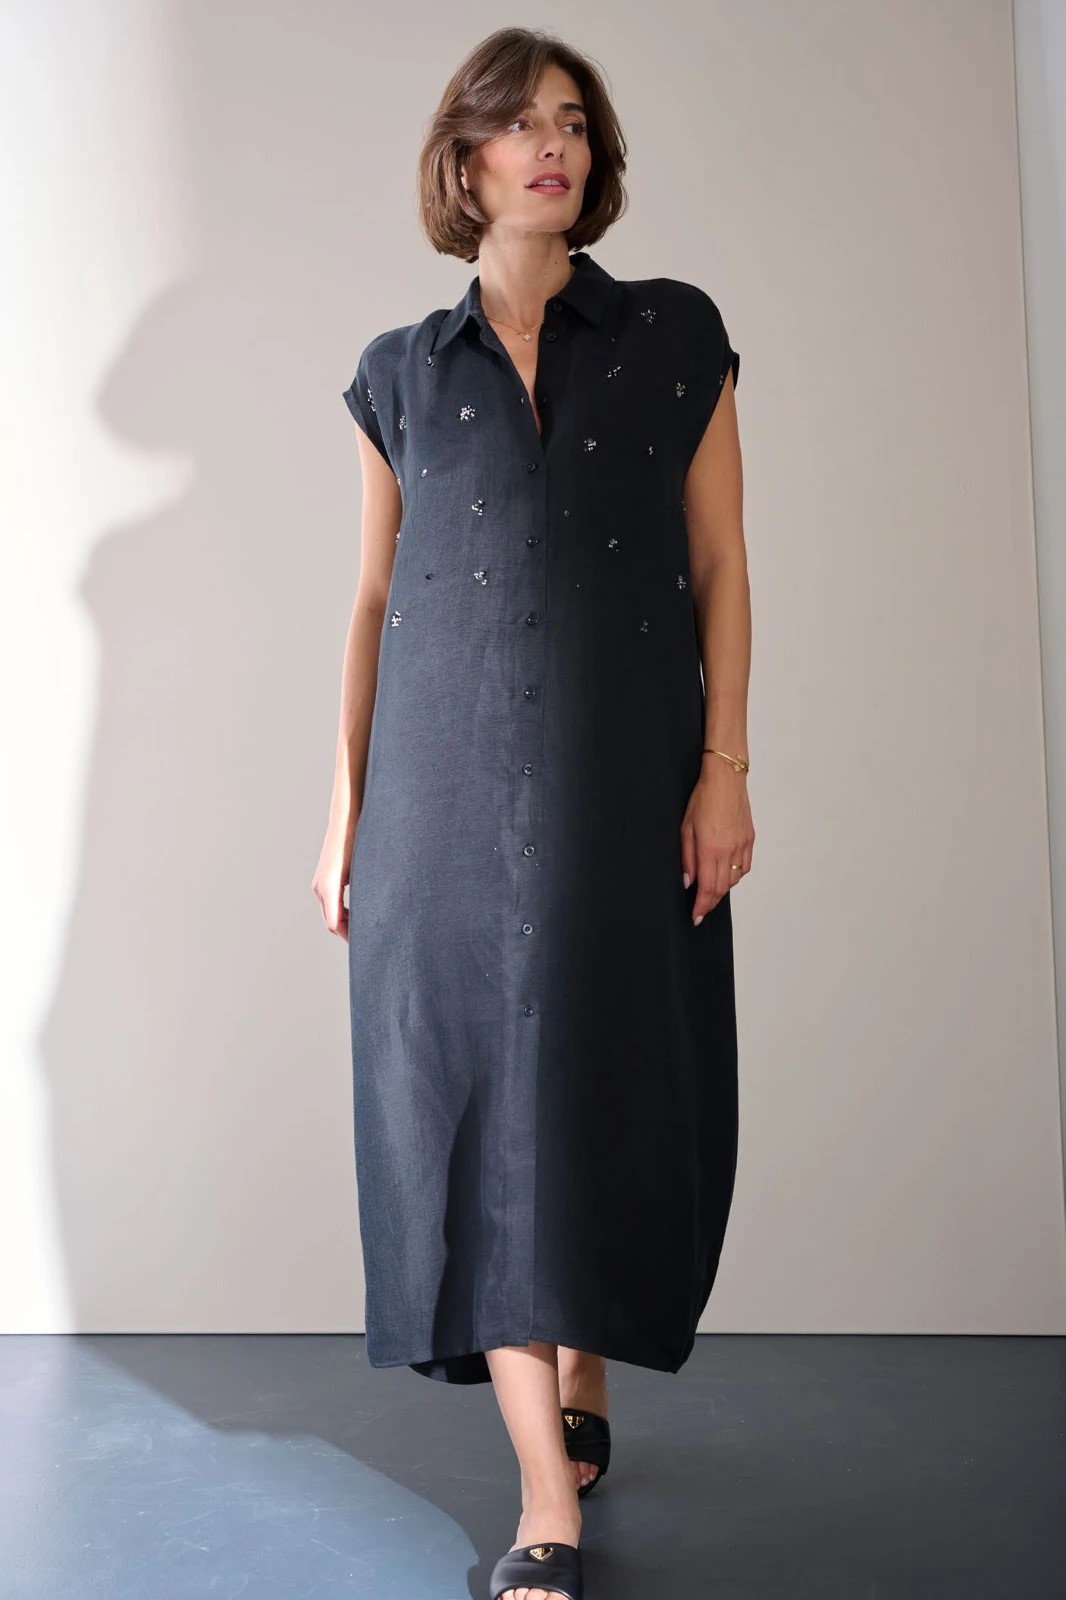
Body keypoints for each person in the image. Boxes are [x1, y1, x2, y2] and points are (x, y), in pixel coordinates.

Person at [312, 25, 753, 1600]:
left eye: (571, 122)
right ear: (466, 160)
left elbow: (719, 565)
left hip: (624, 782)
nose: (550, 146)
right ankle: (541, 1497)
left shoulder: (673, 334)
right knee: (470, 1101)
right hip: (437, 794)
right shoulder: (399, 372)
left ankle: (586, 1376)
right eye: (518, 125)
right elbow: (374, 599)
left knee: (602, 1079)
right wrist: (344, 806)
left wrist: (724, 767)